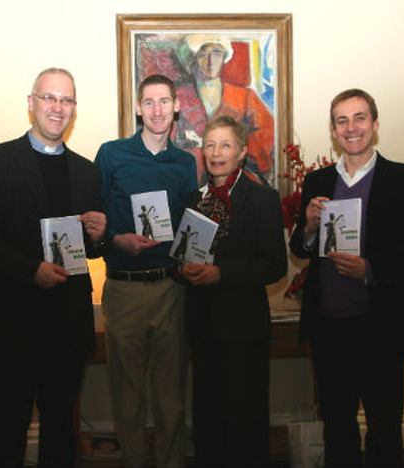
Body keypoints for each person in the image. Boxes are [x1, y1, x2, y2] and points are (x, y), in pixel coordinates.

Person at [289, 89, 404, 467]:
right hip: (329, 327)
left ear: (374, 125)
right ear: (333, 129)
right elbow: (301, 248)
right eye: (342, 120)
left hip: (382, 326)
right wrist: (307, 227)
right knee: (336, 428)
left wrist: (370, 269)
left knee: (385, 428)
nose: (351, 127)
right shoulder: (317, 180)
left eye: (359, 118)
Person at [0, 68, 106, 468]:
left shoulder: (87, 171)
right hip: (13, 322)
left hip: (67, 324)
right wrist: (32, 270)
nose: (57, 107)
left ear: (75, 109)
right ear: (31, 103)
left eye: (66, 100)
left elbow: (88, 253)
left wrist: (97, 236)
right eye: (49, 98)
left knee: (62, 431)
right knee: (8, 430)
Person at [95, 74, 197, 468]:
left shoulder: (186, 163)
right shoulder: (111, 154)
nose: (156, 110)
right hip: (123, 288)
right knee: (127, 395)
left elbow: (190, 225)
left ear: (175, 107)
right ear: (138, 108)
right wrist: (117, 239)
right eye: (148, 102)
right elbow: (94, 217)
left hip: (172, 289)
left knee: (171, 395)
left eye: (164, 102)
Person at [182, 115, 287, 466]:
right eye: (210, 144)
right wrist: (182, 268)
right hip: (203, 329)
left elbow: (274, 265)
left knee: (246, 419)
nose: (216, 152)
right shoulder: (192, 199)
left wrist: (220, 274)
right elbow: (181, 259)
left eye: (225, 145)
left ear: (241, 152)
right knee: (208, 419)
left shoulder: (263, 199)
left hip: (244, 330)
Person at [173, 35, 275, 184]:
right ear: (192, 59)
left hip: (235, 178)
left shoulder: (244, 96)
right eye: (202, 55)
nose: (210, 62)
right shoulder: (178, 97)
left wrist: (233, 146)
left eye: (217, 54)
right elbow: (167, 143)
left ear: (224, 58)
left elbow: (267, 137)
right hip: (190, 179)